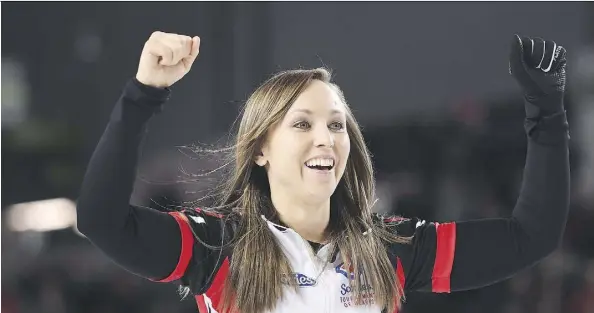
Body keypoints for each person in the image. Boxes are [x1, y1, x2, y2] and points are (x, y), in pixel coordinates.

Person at [77, 31, 571, 313]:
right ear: (260, 151)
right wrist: (144, 93)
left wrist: (547, 110)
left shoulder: (390, 251)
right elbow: (101, 221)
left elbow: (532, 237)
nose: (326, 138)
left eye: (337, 124)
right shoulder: (218, 247)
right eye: (302, 123)